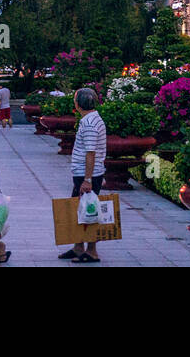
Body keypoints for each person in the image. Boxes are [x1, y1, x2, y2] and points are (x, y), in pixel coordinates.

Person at [60, 86, 107, 264]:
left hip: (88, 175)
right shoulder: (91, 119)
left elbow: (90, 153)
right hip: (85, 173)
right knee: (79, 210)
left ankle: (92, 251)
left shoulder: (89, 123)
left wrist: (87, 179)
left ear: (78, 104)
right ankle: (78, 247)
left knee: (89, 211)